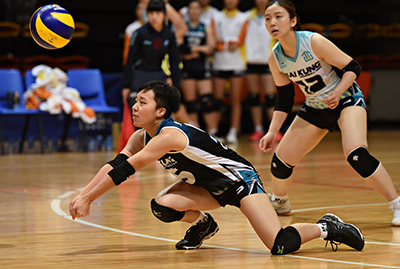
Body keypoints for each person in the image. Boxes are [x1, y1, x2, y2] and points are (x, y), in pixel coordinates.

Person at [69, 80, 365, 255]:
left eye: (142, 102)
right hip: (207, 186)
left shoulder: (168, 136)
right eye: (135, 101)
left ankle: (327, 227)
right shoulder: (140, 136)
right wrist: (84, 194)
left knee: (279, 244)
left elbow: (124, 172)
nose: (134, 107)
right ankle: (203, 225)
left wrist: (89, 199)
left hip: (240, 181)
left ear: (160, 111)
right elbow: (114, 165)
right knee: (162, 205)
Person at [259, 0, 400, 226]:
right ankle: (281, 201)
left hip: (346, 100)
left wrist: (338, 92)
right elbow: (284, 99)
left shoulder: (313, 42)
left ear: (293, 21)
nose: (272, 22)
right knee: (280, 162)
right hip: (316, 107)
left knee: (356, 155)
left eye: (278, 16)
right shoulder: (275, 58)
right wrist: (272, 132)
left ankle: (397, 203)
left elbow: (353, 67)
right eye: (267, 19)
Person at [122, 0, 181, 108]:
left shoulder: (169, 35)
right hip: (140, 75)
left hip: (158, 75)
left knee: (158, 110)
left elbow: (175, 61)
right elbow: (130, 59)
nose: (154, 17)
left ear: (164, 15)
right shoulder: (139, 33)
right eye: (151, 13)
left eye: (158, 13)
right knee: (138, 111)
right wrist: (126, 85)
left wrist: (176, 86)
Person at [211, 0, 249, 144]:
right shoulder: (216, 16)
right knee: (217, 100)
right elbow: (214, 40)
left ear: (238, 0)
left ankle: (233, 131)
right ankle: (215, 131)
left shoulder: (244, 17)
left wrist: (226, 42)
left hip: (237, 63)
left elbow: (240, 41)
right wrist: (225, 43)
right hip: (219, 62)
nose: (231, 0)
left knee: (235, 100)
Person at [244, 0, 278, 142]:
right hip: (251, 62)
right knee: (254, 97)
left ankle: (274, 130)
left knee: (271, 97)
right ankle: (258, 129)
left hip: (268, 61)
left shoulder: (274, 18)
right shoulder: (246, 17)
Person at [179, 0, 218, 132]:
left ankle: (213, 132)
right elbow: (180, 49)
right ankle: (195, 133)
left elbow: (211, 47)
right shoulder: (183, 27)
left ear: (201, 11)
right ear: (188, 11)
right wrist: (199, 49)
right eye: (192, 8)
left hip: (202, 68)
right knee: (191, 104)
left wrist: (192, 50)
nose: (195, 11)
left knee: (208, 102)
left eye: (197, 8)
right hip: (187, 68)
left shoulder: (205, 26)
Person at [122, 2, 146, 67]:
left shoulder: (155, 28)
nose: (143, 11)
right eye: (140, 9)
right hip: (135, 64)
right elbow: (127, 50)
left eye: (145, 8)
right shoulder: (131, 28)